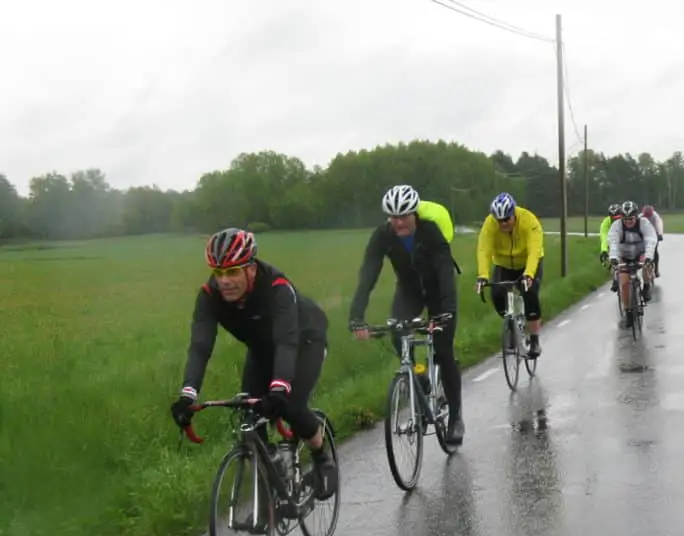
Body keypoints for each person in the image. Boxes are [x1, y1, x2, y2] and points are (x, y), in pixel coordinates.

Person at [169, 227, 337, 501]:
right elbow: (200, 346)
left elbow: (286, 341)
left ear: (252, 269)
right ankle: (273, 470)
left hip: (304, 342)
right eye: (219, 273)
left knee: (292, 407)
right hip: (261, 350)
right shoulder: (209, 297)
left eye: (233, 272)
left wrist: (280, 389)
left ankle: (321, 457)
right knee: (250, 416)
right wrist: (188, 394)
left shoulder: (277, 288)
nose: (225, 281)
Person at [348, 184, 464, 444]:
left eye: (404, 216)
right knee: (398, 335)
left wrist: (446, 313)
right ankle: (419, 379)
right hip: (409, 291)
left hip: (437, 293)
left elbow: (445, 273)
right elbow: (368, 274)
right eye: (393, 217)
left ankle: (456, 418)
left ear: (415, 214)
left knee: (444, 351)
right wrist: (356, 315)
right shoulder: (383, 236)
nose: (398, 222)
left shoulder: (431, 232)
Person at [475, 192, 546, 359]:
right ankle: (511, 326)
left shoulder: (529, 220)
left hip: (528, 261)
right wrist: (483, 275)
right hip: (504, 263)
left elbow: (534, 250)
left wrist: (528, 274)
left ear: (513, 214)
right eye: (500, 221)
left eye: (507, 219)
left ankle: (534, 339)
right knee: (497, 294)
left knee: (530, 293)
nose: (503, 224)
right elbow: (484, 249)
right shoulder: (490, 224)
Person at [607, 200, 658, 328]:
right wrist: (613, 258)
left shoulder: (644, 224)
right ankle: (628, 313)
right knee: (624, 283)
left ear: (636, 216)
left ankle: (646, 287)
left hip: (640, 252)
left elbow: (651, 240)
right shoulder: (617, 226)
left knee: (647, 266)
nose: (628, 222)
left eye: (631, 219)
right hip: (624, 255)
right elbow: (613, 242)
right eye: (625, 219)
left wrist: (648, 257)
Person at [599, 202, 623, 291]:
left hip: (625, 241)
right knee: (613, 262)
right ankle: (615, 279)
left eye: (618, 218)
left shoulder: (626, 220)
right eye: (613, 218)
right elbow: (604, 237)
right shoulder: (605, 223)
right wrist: (604, 250)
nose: (616, 220)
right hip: (613, 242)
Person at [641, 204, 664, 278]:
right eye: (646, 216)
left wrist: (660, 234)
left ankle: (656, 270)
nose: (647, 217)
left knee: (654, 251)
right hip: (644, 233)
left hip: (654, 234)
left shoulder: (655, 216)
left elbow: (659, 225)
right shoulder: (640, 216)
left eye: (649, 216)